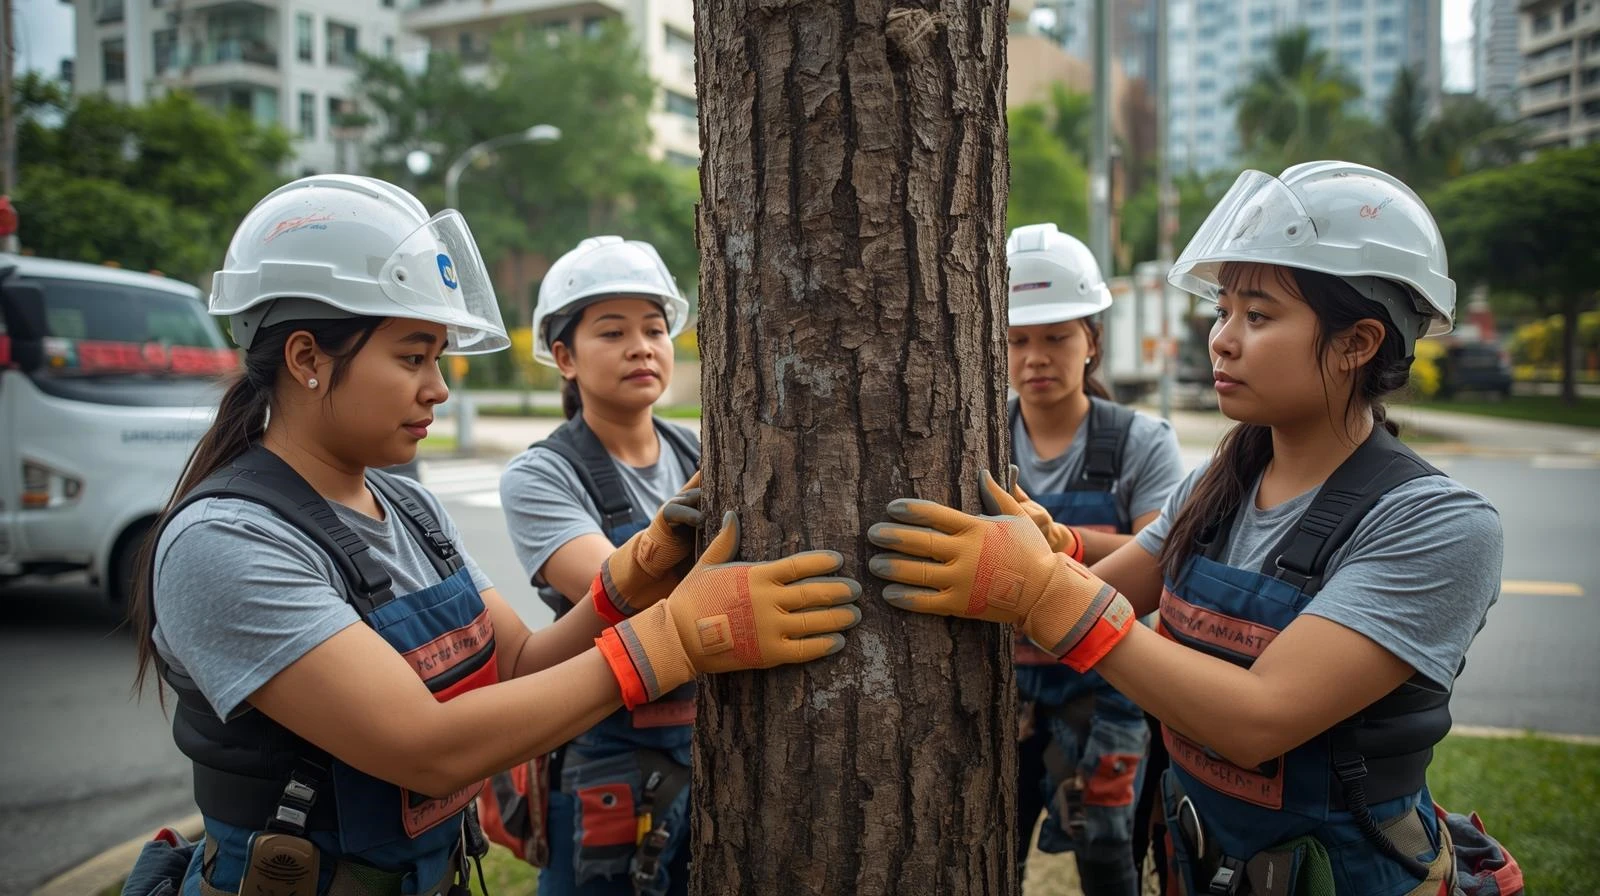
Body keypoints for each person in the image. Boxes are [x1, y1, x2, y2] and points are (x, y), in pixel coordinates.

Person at [129, 175, 862, 896]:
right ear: (306, 359)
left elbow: (518, 662)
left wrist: (629, 578)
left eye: (438, 357)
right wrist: (675, 638)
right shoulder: (226, 542)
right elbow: (427, 747)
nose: (439, 387)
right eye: (413, 357)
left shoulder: (410, 508)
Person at [868, 161, 1502, 896]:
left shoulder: (1435, 524)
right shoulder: (1221, 483)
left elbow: (1258, 720)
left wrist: (1046, 590)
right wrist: (1045, 556)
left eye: (1258, 317)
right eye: (1223, 311)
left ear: (1359, 342)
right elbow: (1103, 592)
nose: (1221, 341)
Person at [497, 236, 700, 895]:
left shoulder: (697, 448)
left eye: (654, 328)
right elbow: (620, 588)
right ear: (564, 357)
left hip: (708, 739)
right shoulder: (541, 476)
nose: (641, 346)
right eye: (611, 332)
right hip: (606, 755)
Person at [1002, 223, 1184, 895]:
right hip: (1003, 693)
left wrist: (1061, 542)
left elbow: (1159, 558)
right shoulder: (970, 436)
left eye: (1057, 337)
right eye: (1018, 340)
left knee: (1110, 858)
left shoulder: (1141, 441)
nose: (1035, 358)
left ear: (1093, 342)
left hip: (1110, 689)